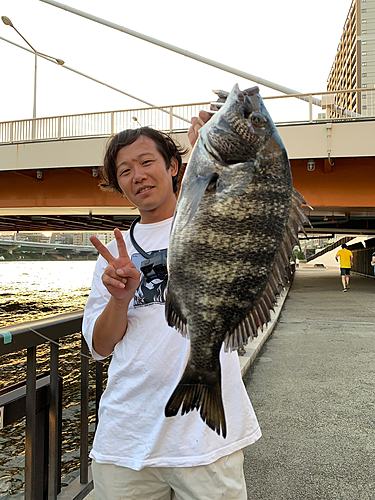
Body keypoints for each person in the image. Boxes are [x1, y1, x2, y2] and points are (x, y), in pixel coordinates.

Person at [82, 115, 261, 500]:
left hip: (206, 435)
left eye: (147, 162)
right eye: (125, 170)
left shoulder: (213, 219)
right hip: (127, 437)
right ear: (119, 184)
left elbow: (249, 196)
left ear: (174, 166)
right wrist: (118, 299)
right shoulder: (114, 254)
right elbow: (99, 346)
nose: (138, 175)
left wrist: (221, 146)